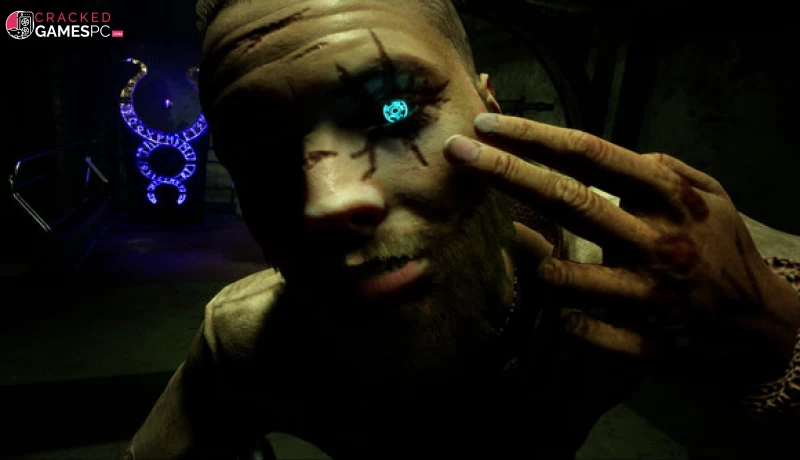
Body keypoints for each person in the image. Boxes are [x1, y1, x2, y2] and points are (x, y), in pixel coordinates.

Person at [123, 0, 800, 458]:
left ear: (488, 106)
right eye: (259, 154)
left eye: (393, 109)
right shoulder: (247, 341)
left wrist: (779, 335)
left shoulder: (651, 258)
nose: (327, 201)